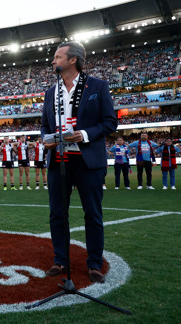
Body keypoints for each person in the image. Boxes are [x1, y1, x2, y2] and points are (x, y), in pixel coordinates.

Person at [41, 41, 117, 283]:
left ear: (72, 60)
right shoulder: (50, 92)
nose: (53, 61)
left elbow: (109, 122)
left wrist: (84, 135)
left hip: (87, 161)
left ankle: (94, 263)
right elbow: (45, 125)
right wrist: (46, 138)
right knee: (57, 214)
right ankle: (60, 259)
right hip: (58, 161)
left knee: (92, 214)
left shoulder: (98, 86)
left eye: (57, 57)